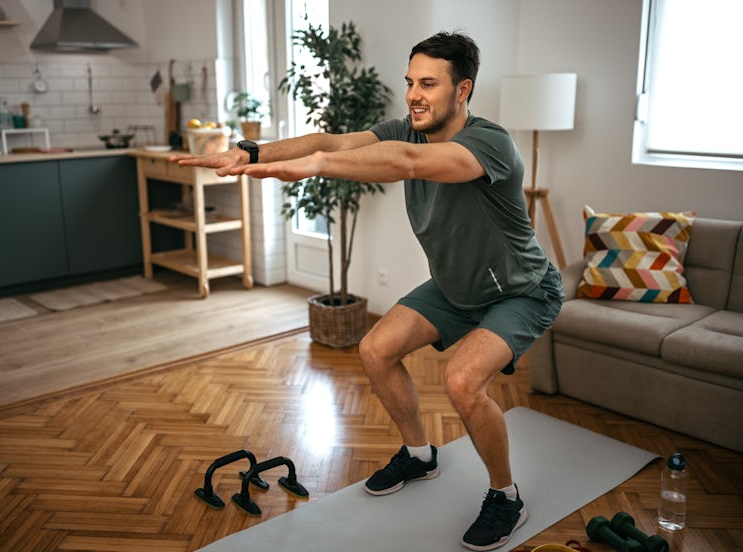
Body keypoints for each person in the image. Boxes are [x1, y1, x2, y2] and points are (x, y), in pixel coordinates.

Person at [170, 31, 563, 551]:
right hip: (454, 287)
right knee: (375, 349)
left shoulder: (489, 144)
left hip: (521, 289)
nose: (414, 95)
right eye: (409, 83)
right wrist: (252, 150)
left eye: (428, 83)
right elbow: (330, 142)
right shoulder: (405, 129)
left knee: (463, 381)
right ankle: (420, 455)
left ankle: (506, 495)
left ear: (463, 89)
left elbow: (408, 164)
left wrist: (314, 168)